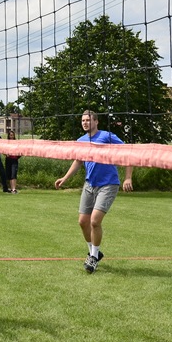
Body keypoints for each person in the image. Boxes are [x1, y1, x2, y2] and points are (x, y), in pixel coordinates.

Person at [54, 109, 133, 274]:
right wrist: (65, 178)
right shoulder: (81, 141)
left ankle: (94, 257)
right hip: (89, 185)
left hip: (108, 184)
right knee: (83, 222)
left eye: (88, 120)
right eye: (83, 120)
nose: (85, 123)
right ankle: (93, 252)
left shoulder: (107, 136)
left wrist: (128, 178)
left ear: (96, 122)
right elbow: (78, 161)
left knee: (95, 221)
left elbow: (129, 153)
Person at [5, 129, 21, 194]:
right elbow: (3, 150)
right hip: (8, 160)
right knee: (9, 174)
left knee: (13, 174)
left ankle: (14, 189)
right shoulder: (6, 143)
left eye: (12, 135)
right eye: (10, 135)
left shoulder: (16, 143)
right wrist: (6, 154)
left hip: (14, 160)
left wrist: (17, 157)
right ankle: (11, 189)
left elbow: (20, 151)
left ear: (14, 136)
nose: (11, 136)